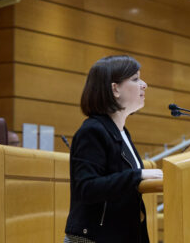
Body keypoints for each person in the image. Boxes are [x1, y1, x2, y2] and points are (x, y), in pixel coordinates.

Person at [64, 56, 163, 243]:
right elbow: (86, 188)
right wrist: (138, 175)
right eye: (135, 79)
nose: (144, 84)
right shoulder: (92, 131)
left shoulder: (122, 132)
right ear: (115, 89)